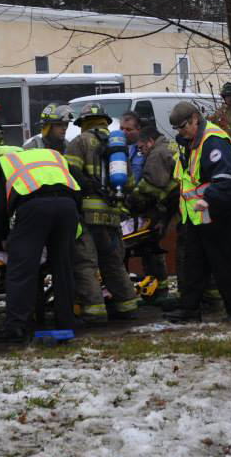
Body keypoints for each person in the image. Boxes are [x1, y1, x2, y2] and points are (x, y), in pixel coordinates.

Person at [164, 101, 231, 323]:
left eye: (183, 126)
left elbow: (226, 178)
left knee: (225, 262)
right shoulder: (190, 142)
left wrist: (208, 199)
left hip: (218, 211)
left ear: (195, 119)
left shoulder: (213, 140)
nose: (181, 132)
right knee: (192, 262)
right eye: (177, 129)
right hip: (197, 215)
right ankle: (189, 309)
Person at [0, 148, 81, 342]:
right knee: (64, 267)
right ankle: (67, 322)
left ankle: (16, 327)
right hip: (68, 206)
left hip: (33, 207)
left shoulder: (4, 164)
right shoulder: (53, 155)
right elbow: (81, 183)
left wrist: (3, 236)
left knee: (22, 269)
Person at [65, 102, 140, 322]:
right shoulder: (118, 146)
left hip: (87, 215)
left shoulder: (79, 142)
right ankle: (128, 306)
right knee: (113, 263)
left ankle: (94, 312)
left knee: (85, 264)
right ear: (104, 122)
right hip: (112, 215)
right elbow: (130, 183)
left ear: (84, 123)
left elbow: (70, 176)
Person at [124, 125, 178, 303]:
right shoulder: (169, 146)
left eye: (141, 148)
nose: (141, 152)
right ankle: (159, 291)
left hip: (174, 207)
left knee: (151, 248)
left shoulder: (156, 154)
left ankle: (158, 294)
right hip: (178, 206)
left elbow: (151, 186)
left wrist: (130, 202)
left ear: (150, 142)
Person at [119, 111, 144, 181]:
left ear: (138, 130)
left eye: (128, 129)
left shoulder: (145, 148)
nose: (123, 132)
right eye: (121, 128)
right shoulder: (115, 145)